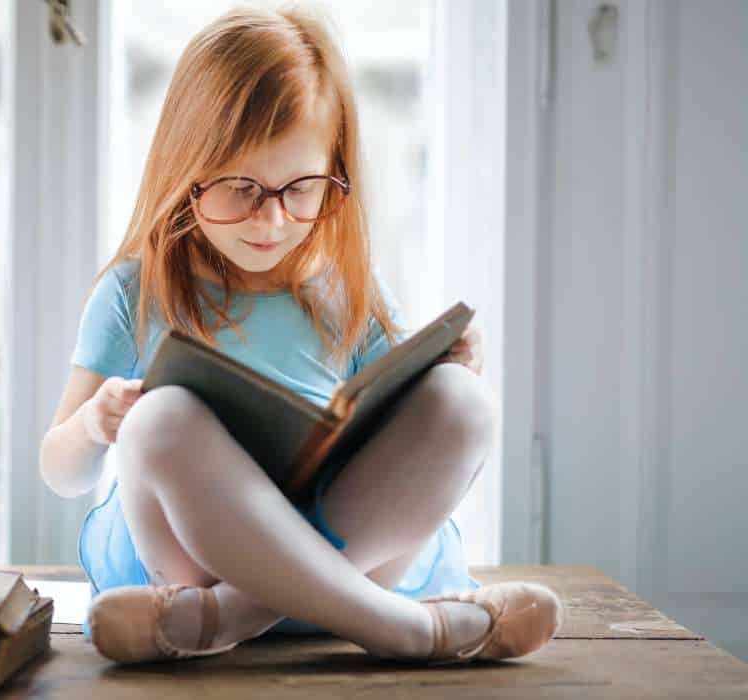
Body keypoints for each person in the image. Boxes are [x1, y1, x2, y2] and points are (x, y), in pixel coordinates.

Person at [39, 2, 563, 666]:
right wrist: (95, 424)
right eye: (239, 189)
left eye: (302, 189)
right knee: (157, 421)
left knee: (463, 402)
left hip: (338, 562)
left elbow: (413, 420)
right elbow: (59, 471)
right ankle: (407, 630)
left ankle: (232, 618)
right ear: (185, 169)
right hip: (190, 563)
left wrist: (452, 365)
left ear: (333, 174)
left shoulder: (346, 285)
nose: (273, 221)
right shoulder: (134, 291)